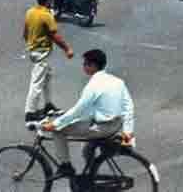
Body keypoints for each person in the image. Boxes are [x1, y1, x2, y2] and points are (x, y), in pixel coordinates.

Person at [40, 48, 134, 179]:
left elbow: (79, 110)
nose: (83, 66)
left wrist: (55, 124)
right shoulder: (118, 82)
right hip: (116, 125)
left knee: (58, 131)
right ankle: (90, 177)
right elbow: (129, 108)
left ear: (93, 66)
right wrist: (127, 136)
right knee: (87, 149)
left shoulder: (94, 85)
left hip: (101, 128)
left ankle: (65, 166)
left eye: (85, 64)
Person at [24, 0, 74, 122]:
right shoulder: (47, 15)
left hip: (34, 50)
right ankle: (30, 112)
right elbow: (54, 36)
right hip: (42, 52)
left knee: (47, 78)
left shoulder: (30, 12)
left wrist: (31, 44)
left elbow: (26, 32)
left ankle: (48, 105)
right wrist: (67, 49)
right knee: (37, 83)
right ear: (48, 1)